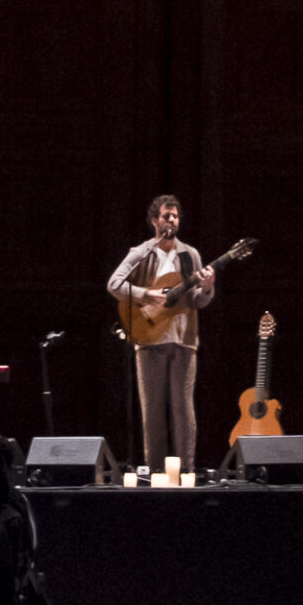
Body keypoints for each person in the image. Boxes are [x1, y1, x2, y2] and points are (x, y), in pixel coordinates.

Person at [107, 192, 216, 472]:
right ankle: (156, 474)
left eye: (176, 216)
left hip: (184, 339)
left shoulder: (190, 254)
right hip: (148, 337)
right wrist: (148, 296)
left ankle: (186, 473)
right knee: (152, 412)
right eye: (166, 216)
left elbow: (196, 302)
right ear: (154, 220)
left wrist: (207, 287)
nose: (172, 220)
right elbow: (114, 285)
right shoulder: (141, 252)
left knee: (183, 411)